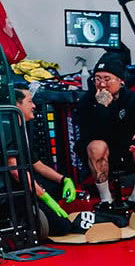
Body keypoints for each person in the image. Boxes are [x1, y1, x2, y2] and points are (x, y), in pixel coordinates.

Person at [4, 87, 126, 235]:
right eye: (30, 102)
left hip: (23, 184)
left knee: (57, 186)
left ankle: (111, 219)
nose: (34, 105)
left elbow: (38, 165)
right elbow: (16, 171)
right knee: (63, 227)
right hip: (13, 190)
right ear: (16, 105)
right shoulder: (7, 130)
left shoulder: (21, 129)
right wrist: (45, 197)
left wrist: (64, 180)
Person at [76, 53, 135, 222]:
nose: (102, 84)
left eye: (107, 79)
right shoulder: (86, 101)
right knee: (97, 146)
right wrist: (103, 107)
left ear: (121, 81)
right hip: (100, 154)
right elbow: (89, 134)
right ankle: (106, 200)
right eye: (97, 79)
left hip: (127, 150)